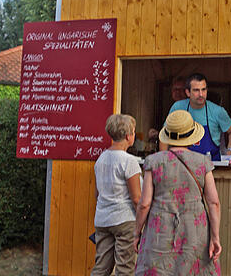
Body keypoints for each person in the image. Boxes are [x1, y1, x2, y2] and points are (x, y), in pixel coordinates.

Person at [134, 110, 222, 275]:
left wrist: (136, 233)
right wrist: (215, 237)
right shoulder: (203, 162)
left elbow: (144, 203)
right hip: (195, 231)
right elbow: (214, 202)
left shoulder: (154, 161)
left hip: (160, 230)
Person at [91, 114, 142, 276]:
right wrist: (142, 222)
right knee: (125, 268)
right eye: (134, 132)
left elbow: (97, 193)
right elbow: (136, 198)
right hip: (124, 219)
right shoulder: (129, 161)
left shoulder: (101, 159)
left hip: (103, 219)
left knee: (101, 267)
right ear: (128, 136)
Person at [165, 73, 231, 162]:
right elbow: (165, 134)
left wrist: (229, 152)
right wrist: (163, 160)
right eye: (196, 90)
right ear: (188, 92)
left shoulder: (217, 111)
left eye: (203, 90)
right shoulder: (178, 107)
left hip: (211, 165)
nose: (201, 94)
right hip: (182, 165)